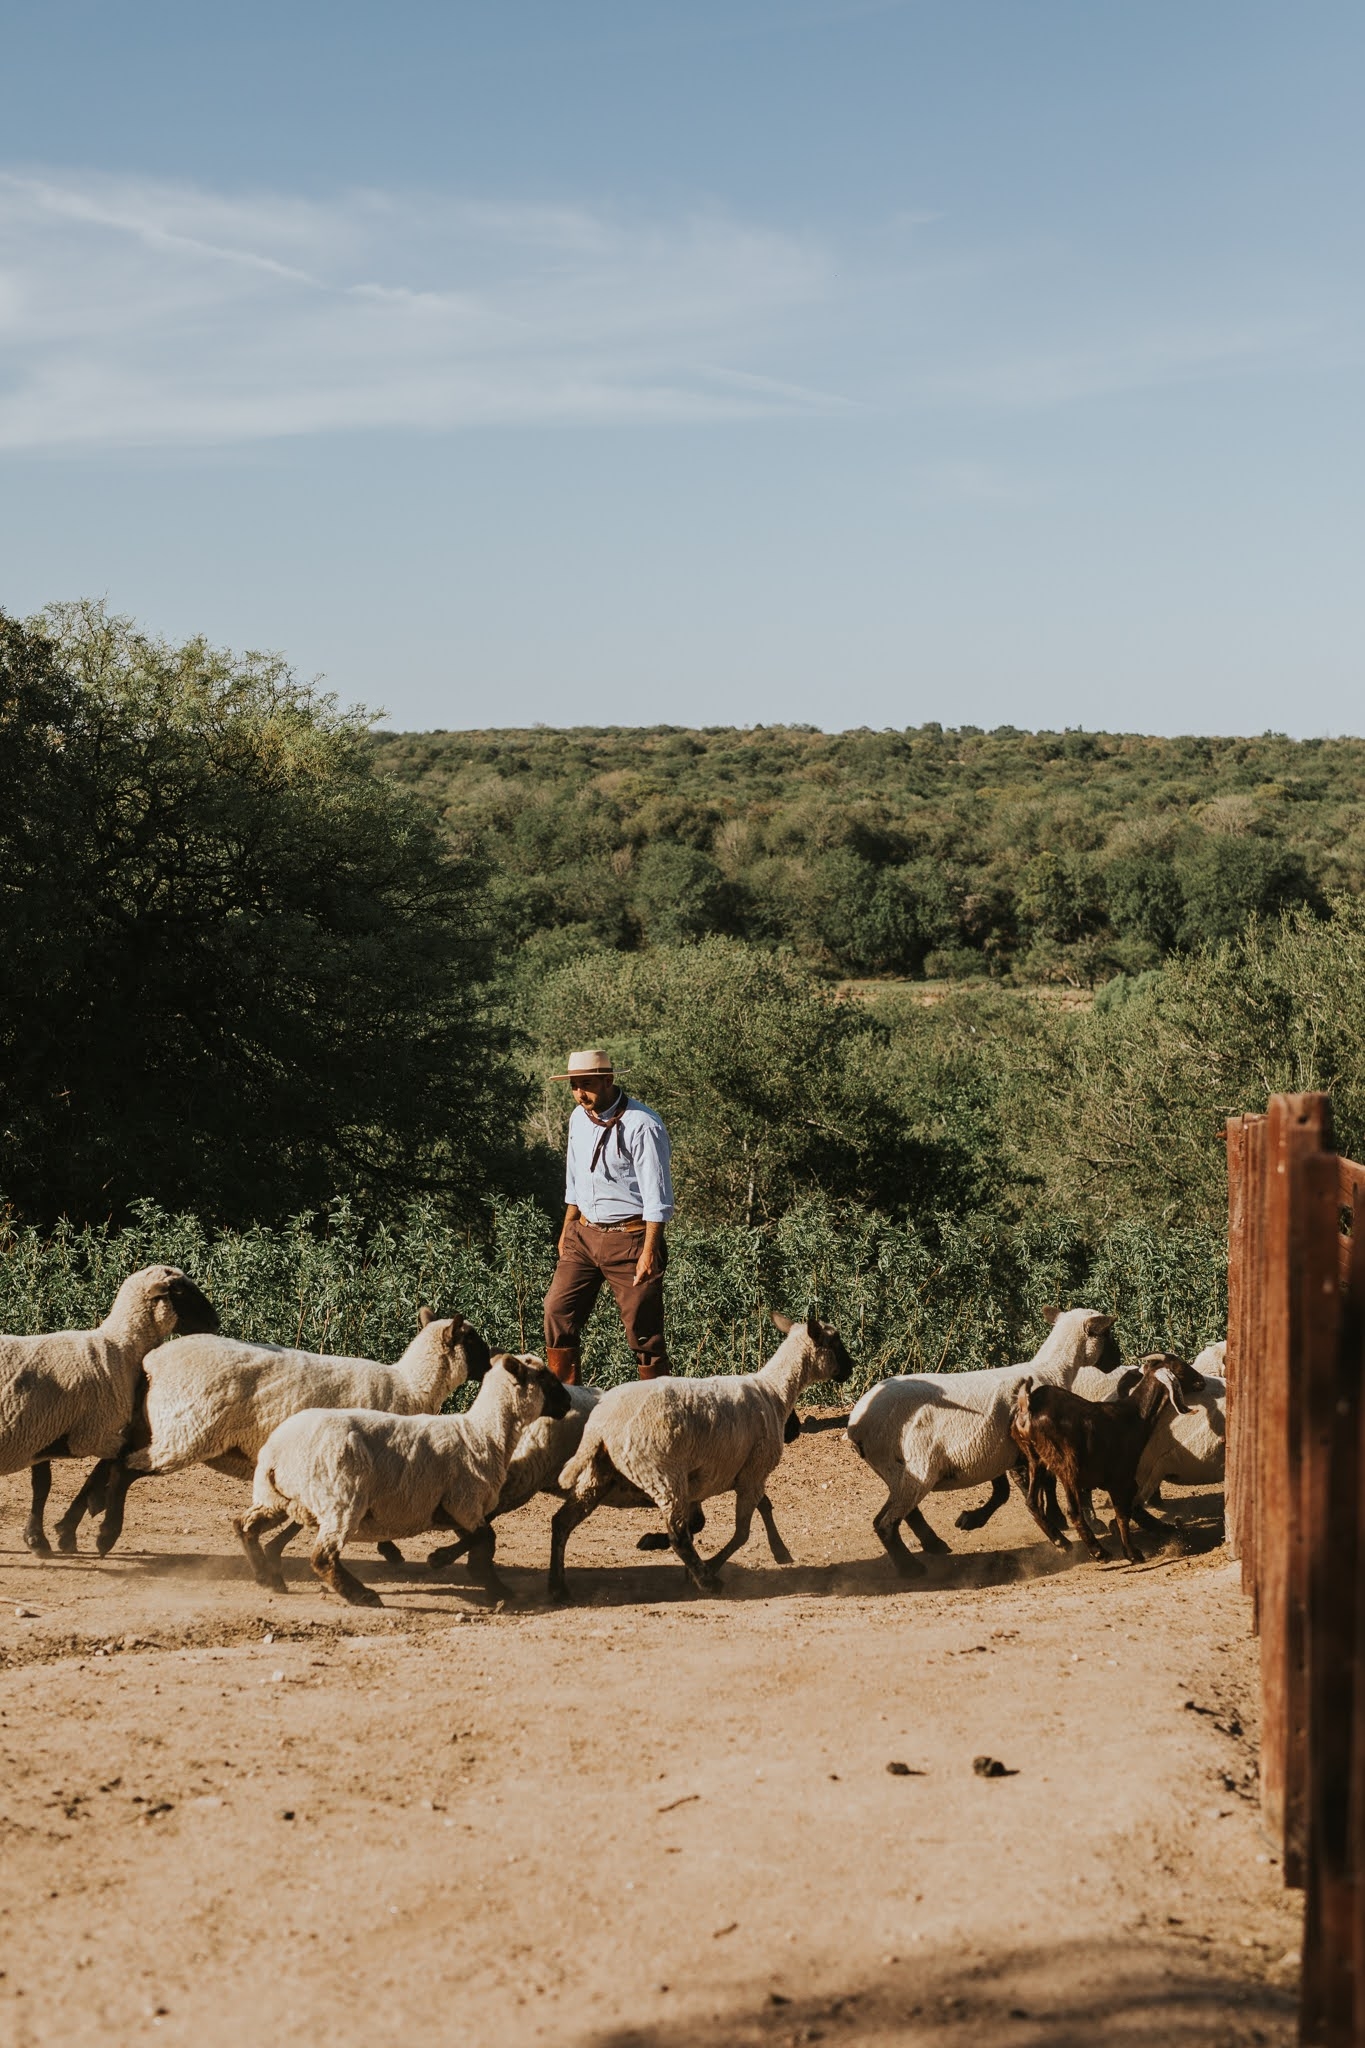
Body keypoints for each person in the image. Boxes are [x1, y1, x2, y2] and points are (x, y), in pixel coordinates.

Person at [542, 1050, 674, 1384]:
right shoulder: (577, 1118)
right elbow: (575, 1177)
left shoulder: (643, 1125)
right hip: (582, 1235)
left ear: (608, 1080)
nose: (579, 1093)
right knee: (557, 1311)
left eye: (586, 1085)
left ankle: (660, 1410)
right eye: (574, 1086)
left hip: (630, 1239)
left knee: (643, 1333)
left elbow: (657, 1197)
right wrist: (567, 1226)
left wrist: (648, 1252)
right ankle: (567, 1406)